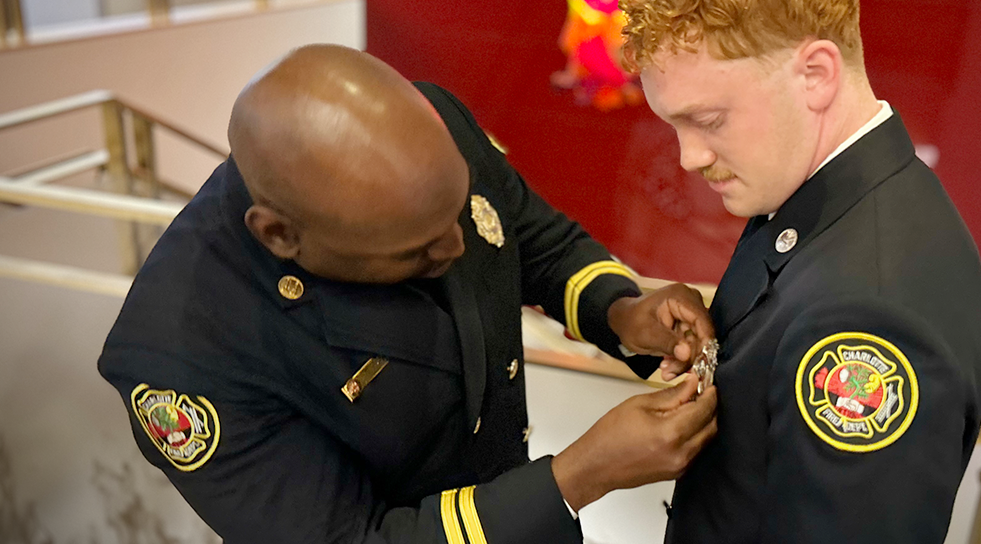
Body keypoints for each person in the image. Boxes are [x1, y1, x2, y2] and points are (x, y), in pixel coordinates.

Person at [97, 45, 718, 543]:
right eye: (415, 254)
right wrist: (581, 474)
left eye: (454, 217)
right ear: (281, 235)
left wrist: (621, 310)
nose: (455, 249)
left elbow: (528, 236)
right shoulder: (183, 359)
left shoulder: (430, 130)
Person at [619, 0, 981, 542]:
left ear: (815, 73)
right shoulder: (823, 197)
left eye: (707, 120)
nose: (688, 156)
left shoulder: (869, 313)